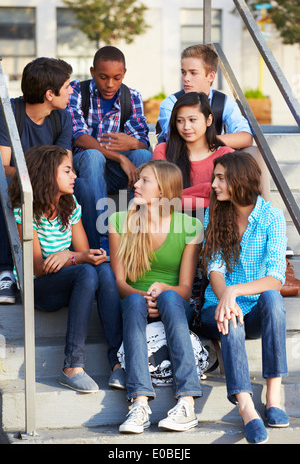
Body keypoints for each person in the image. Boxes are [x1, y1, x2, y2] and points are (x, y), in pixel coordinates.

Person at [8, 145, 123, 392]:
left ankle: (117, 364)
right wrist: (75, 258)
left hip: (68, 279)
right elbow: (38, 268)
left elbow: (84, 254)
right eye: (67, 171)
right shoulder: (26, 211)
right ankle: (72, 365)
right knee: (86, 271)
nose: (74, 177)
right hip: (38, 287)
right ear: (48, 174)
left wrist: (71, 255)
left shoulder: (69, 205)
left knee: (101, 269)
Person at [200, 152, 289, 444]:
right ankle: (246, 406)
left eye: (221, 178)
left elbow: (276, 276)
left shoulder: (272, 217)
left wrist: (235, 291)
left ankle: (273, 393)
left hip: (252, 308)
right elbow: (213, 265)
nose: (214, 184)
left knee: (273, 297)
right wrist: (226, 295)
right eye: (215, 177)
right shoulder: (214, 214)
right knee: (230, 317)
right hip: (217, 309)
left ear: (241, 180)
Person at [109, 159, 203, 434]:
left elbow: (185, 288)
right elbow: (119, 282)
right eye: (138, 180)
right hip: (136, 303)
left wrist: (164, 290)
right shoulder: (119, 220)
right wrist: (144, 295)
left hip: (174, 305)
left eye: (144, 181)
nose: (135, 185)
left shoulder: (190, 226)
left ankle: (186, 401)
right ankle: (139, 403)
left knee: (171, 299)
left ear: (163, 191)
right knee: (136, 301)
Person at [0, 57, 73, 304]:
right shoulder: (9, 112)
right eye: (68, 86)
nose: (72, 91)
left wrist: (44, 178)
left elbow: (66, 165)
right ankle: (5, 271)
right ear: (50, 94)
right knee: (6, 189)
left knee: (75, 185)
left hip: (48, 189)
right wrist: (37, 175)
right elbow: (3, 168)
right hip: (18, 186)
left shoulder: (62, 118)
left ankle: (78, 256)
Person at [156, 44, 271, 201]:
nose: (186, 78)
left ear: (210, 76)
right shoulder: (171, 103)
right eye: (183, 72)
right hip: (178, 160)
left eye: (193, 73)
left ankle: (262, 208)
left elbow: (245, 137)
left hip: (212, 159)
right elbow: (178, 136)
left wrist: (211, 143)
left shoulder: (223, 102)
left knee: (253, 152)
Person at [68, 46, 152, 255]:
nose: (110, 84)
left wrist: (132, 144)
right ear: (92, 72)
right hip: (85, 167)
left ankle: (136, 230)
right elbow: (78, 137)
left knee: (144, 157)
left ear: (124, 73)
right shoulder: (77, 90)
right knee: (94, 156)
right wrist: (120, 158)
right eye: (103, 77)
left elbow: (142, 141)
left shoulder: (131, 96)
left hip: (114, 173)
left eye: (116, 77)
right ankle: (100, 235)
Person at [153, 92, 234, 212]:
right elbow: (158, 199)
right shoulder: (163, 151)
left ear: (208, 120)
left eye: (192, 120)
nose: (186, 127)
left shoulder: (225, 155)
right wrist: (207, 192)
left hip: (214, 223)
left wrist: (177, 197)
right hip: (174, 224)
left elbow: (231, 197)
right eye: (180, 121)